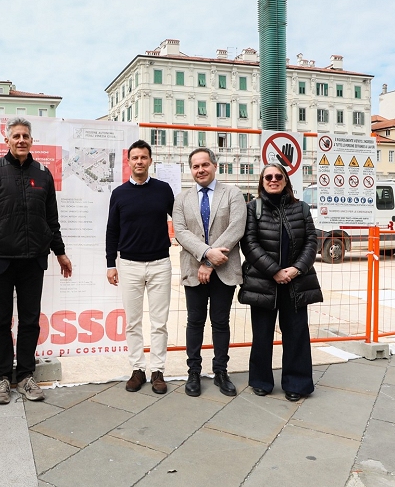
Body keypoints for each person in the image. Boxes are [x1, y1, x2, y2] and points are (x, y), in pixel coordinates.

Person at [0, 117, 72, 405]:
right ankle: (3, 377)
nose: (21, 140)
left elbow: (51, 219)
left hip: (32, 261)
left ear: (32, 140)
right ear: (7, 140)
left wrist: (60, 252)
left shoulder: (43, 174)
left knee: (29, 321)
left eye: (25, 135)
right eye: (16, 136)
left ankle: (26, 374)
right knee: (1, 322)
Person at [239, 162, 323, 403]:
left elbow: (311, 242)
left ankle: (297, 384)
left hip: (296, 282)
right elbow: (250, 245)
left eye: (278, 176)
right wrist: (275, 271)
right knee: (262, 335)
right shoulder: (252, 208)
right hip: (264, 282)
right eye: (268, 177)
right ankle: (261, 381)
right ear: (262, 182)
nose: (273, 180)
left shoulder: (302, 209)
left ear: (286, 181)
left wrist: (296, 269)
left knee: (296, 334)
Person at [173, 147, 247, 397]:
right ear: (190, 170)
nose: (200, 170)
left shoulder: (233, 194)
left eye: (205, 165)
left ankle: (221, 371)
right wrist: (205, 254)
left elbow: (236, 228)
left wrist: (211, 262)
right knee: (194, 322)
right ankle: (193, 372)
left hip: (224, 268)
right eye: (195, 166)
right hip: (193, 269)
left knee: (220, 322)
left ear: (215, 166)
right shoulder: (182, 199)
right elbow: (181, 232)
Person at [105, 140, 174, 394]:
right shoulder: (119, 193)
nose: (139, 162)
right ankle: (137, 369)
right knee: (132, 322)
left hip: (160, 264)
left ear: (150, 160)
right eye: (134, 158)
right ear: (129, 161)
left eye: (143, 157)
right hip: (130, 265)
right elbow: (112, 230)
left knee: (159, 323)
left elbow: (179, 219)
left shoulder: (164, 190)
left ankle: (157, 371)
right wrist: (110, 263)